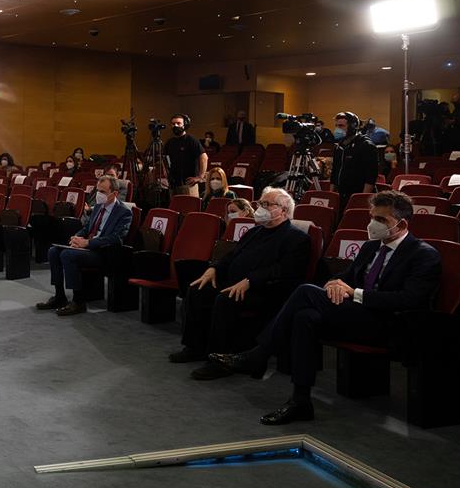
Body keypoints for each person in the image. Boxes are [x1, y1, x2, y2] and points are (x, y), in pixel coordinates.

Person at [212, 191, 440, 424]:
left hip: (390, 323)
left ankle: (258, 354)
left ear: (401, 224)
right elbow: (347, 276)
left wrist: (355, 293)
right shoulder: (371, 247)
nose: (373, 224)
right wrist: (334, 283)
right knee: (304, 317)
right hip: (359, 315)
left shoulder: (423, 255)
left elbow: (410, 300)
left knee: (305, 291)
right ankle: (300, 401)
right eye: (372, 217)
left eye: (381, 220)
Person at [174, 188, 309, 379]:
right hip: (234, 283)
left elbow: (283, 270)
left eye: (266, 204)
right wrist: (214, 269)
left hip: (265, 290)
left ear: (284, 211)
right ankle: (195, 347)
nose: (260, 208)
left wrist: (250, 281)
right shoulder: (254, 232)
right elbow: (231, 256)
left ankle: (219, 360)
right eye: (260, 203)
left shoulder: (297, 238)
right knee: (198, 289)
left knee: (224, 299)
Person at [35, 175, 132, 316]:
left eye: (103, 192)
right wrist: (77, 237)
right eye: (98, 191)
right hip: (89, 249)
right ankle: (59, 296)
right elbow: (87, 228)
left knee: (67, 255)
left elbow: (116, 238)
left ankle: (78, 302)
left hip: (104, 252)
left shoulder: (124, 212)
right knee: (53, 252)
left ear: (115, 193)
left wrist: (88, 243)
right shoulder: (98, 207)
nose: (99, 195)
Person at [330, 112, 376, 196]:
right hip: (341, 193)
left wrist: (362, 198)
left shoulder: (366, 145)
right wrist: (332, 195)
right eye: (336, 126)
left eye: (341, 126)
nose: (337, 129)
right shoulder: (339, 146)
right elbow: (335, 172)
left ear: (352, 127)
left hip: (358, 194)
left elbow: (370, 177)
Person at [164, 114, 207, 196]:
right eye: (173, 124)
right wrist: (166, 172)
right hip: (173, 184)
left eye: (178, 123)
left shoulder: (191, 140)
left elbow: (204, 157)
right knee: (174, 208)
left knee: (190, 208)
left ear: (185, 125)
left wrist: (200, 177)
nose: (175, 126)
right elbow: (165, 159)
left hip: (189, 185)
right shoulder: (169, 142)